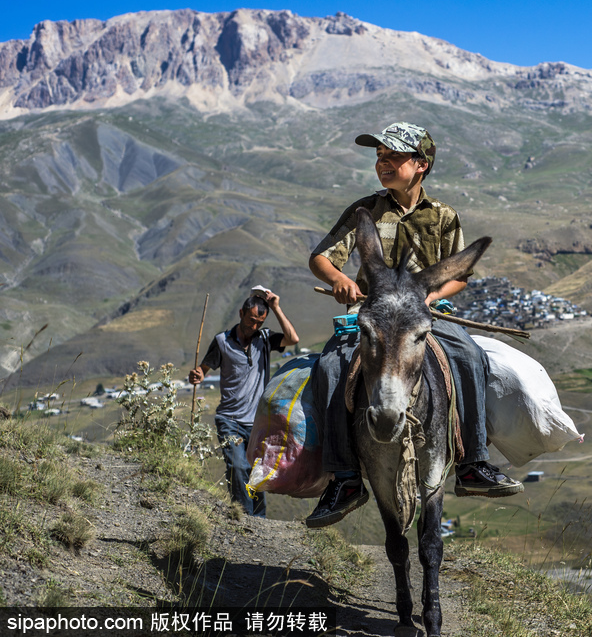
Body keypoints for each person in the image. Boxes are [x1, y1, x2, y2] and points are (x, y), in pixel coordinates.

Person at [305, 121, 523, 529]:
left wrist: (434, 296)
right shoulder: (364, 211)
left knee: (470, 355)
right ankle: (346, 477)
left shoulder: (443, 216)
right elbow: (321, 257)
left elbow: (460, 274)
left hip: (424, 317)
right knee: (330, 367)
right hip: (372, 317)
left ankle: (474, 463)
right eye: (379, 157)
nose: (382, 163)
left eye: (392, 156)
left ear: (420, 164)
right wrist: (341, 280)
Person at [189, 288, 299, 517]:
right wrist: (197, 374)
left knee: (257, 472)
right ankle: (243, 518)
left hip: (258, 422)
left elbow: (293, 338)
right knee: (238, 467)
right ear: (241, 313)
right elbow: (204, 368)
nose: (254, 327)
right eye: (250, 321)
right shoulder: (222, 341)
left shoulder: (266, 340)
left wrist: (276, 307)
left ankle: (257, 522)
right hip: (230, 420)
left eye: (259, 322)